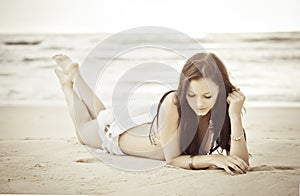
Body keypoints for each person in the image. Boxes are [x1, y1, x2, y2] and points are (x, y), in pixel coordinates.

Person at [53, 52, 250, 175]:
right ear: (183, 90)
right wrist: (213, 159)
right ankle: (67, 85)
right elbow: (172, 159)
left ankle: (76, 75)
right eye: (191, 95)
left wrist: (234, 115)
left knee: (103, 114)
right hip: (114, 137)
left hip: (133, 124)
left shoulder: (225, 106)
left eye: (208, 96)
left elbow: (241, 162)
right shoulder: (173, 102)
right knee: (83, 130)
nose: (199, 104)